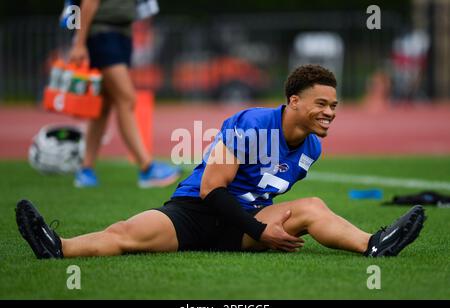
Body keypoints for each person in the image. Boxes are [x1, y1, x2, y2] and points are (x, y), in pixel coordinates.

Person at [15, 65, 426, 259]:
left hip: (244, 224)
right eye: (322, 103)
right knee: (125, 233)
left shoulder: (313, 150)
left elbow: (263, 195)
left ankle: (374, 244)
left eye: (334, 106)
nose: (331, 112)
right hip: (194, 213)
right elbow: (213, 191)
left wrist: (258, 227)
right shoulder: (251, 123)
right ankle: (58, 247)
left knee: (312, 208)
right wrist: (260, 232)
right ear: (294, 101)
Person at [68, 0, 180, 188]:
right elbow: (89, 2)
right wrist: (79, 43)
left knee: (104, 105)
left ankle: (85, 170)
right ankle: (147, 168)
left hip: (121, 34)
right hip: (102, 34)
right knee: (126, 98)